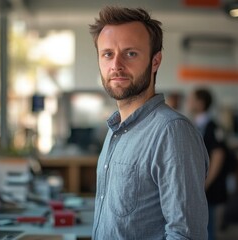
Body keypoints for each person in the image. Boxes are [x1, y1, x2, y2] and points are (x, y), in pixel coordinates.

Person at [89, 6, 209, 240]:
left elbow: (186, 235)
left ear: (155, 61)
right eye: (107, 54)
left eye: (130, 53)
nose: (116, 65)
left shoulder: (171, 132)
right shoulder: (115, 131)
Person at [187, 88, 229, 240]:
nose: (188, 102)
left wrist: (205, 183)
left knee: (208, 228)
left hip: (208, 188)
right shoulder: (194, 125)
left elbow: (218, 156)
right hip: (199, 186)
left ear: (200, 103)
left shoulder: (212, 127)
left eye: (192, 99)